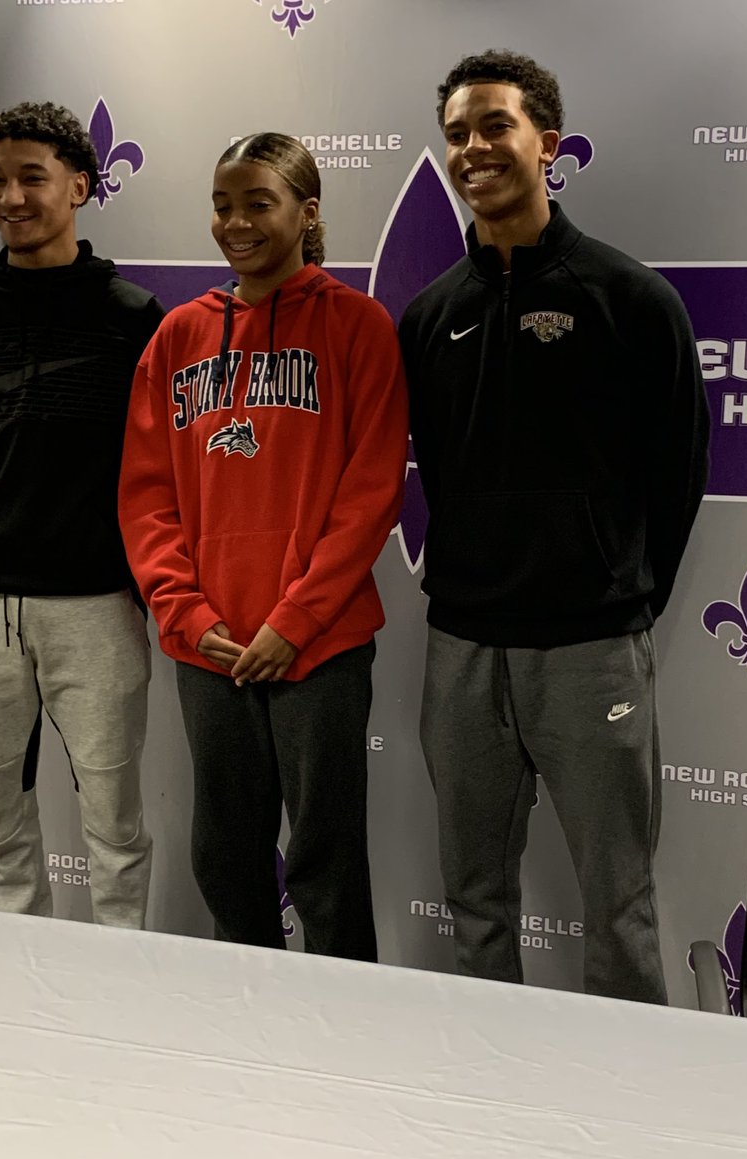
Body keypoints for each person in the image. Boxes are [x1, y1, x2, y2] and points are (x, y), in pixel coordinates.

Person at [399, 51, 710, 1002]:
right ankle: (485, 1071)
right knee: (474, 899)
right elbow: (436, 473)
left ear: (548, 143)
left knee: (618, 904)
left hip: (590, 650)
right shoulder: (429, 316)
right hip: (462, 647)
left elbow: (678, 474)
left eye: (495, 125)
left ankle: (627, 1081)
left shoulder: (631, 299)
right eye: (457, 133)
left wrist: (613, 588)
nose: (474, 148)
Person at [119, 132, 408, 959]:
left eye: (258, 203)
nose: (236, 222)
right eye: (222, 205)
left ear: (307, 212)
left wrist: (297, 620)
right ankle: (239, 1018)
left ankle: (344, 1020)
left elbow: (371, 492)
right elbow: (146, 494)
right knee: (225, 855)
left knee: (327, 861)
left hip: (320, 644)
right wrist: (182, 610)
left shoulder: (357, 326)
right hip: (211, 645)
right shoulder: (178, 335)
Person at [0, 100, 164, 927]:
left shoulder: (132, 315)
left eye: (32, 177)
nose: (12, 197)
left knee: (115, 826)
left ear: (81, 187)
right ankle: (16, 978)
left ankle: (118, 976)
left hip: (95, 604)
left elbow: (152, 468)